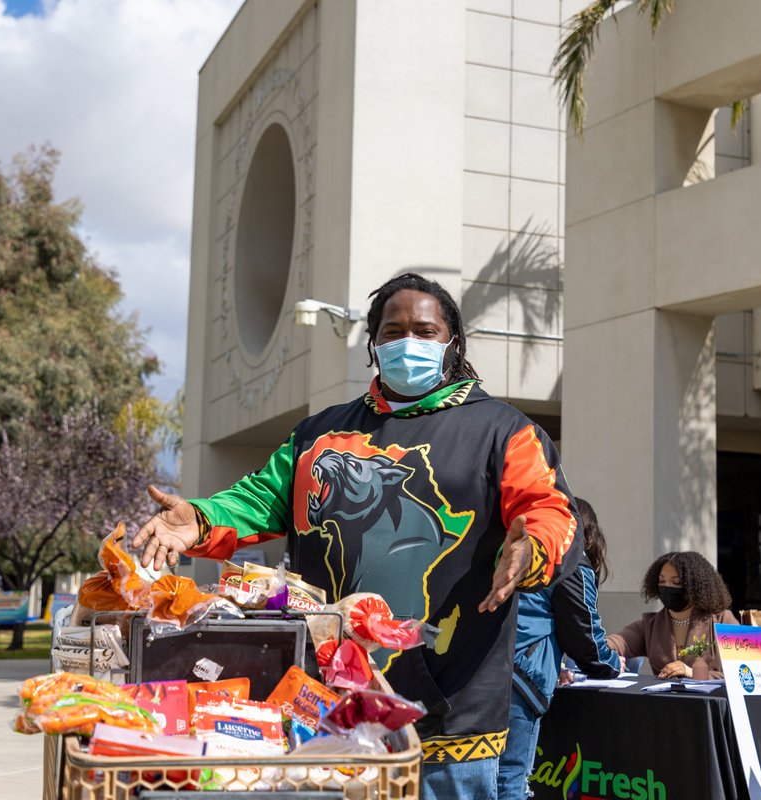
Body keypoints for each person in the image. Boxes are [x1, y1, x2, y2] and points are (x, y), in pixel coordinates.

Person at [134, 273, 578, 799]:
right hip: (327, 706)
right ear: (372, 345)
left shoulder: (504, 431)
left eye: (425, 331)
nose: (407, 343)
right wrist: (201, 519)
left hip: (453, 714)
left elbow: (548, 509)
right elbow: (258, 500)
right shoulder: (317, 435)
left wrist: (532, 548)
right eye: (392, 332)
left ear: (453, 344)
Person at [499, 497, 621, 800]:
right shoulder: (569, 559)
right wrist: (613, 664)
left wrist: (556, 665)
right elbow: (585, 638)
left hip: (481, 668)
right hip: (518, 678)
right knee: (510, 778)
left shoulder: (509, 547)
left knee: (477, 774)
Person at [607, 551, 737, 679]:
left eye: (676, 583)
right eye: (661, 581)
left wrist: (692, 673)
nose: (667, 587)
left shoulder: (724, 620)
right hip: (666, 700)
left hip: (711, 699)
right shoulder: (650, 625)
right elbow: (613, 643)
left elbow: (749, 672)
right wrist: (608, 658)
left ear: (695, 587)